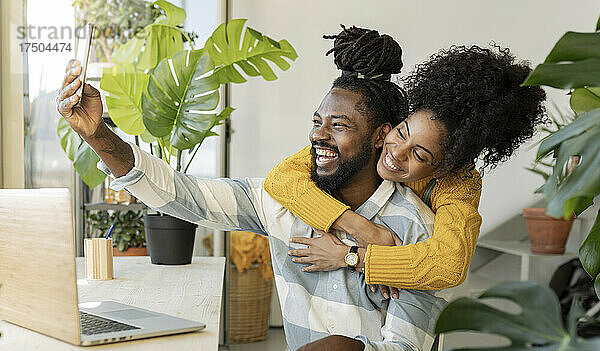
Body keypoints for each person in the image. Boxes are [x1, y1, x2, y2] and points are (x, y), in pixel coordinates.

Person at [57, 26, 446, 351]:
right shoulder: (285, 200)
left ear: (381, 137)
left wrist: (342, 344)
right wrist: (98, 136)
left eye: (339, 126)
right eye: (317, 121)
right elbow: (183, 195)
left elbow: (406, 347)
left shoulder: (417, 230)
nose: (319, 135)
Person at [264, 41, 547, 298]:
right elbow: (282, 178)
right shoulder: (374, 135)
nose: (395, 152)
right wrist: (362, 228)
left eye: (419, 154)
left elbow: (448, 265)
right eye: (402, 132)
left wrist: (353, 257)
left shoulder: (460, 182)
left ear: (444, 165)